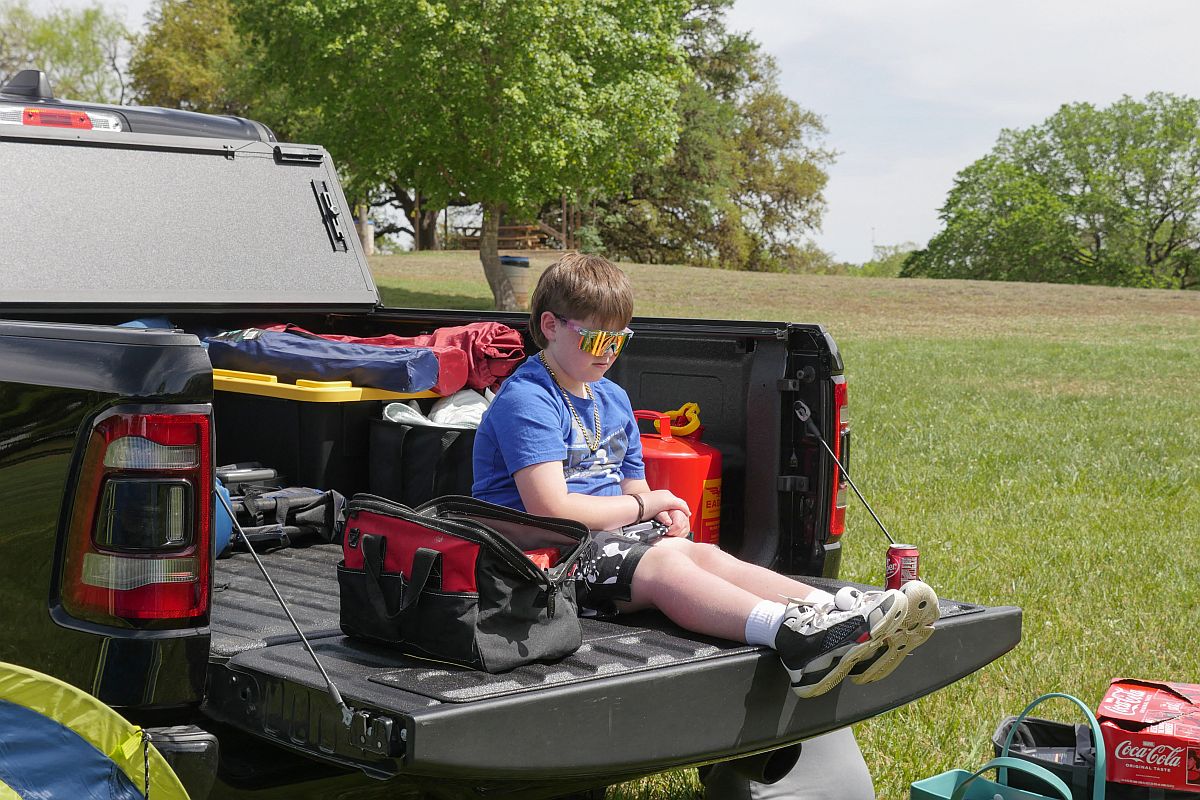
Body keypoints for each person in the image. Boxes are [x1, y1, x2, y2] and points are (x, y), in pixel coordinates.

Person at [471, 252, 940, 700]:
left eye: (619, 340)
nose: (608, 352)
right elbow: (551, 509)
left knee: (700, 553)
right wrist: (648, 505)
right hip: (539, 562)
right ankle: (793, 637)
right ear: (550, 326)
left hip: (603, 541)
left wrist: (659, 515)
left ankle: (836, 614)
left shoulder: (610, 398)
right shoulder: (528, 399)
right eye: (596, 339)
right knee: (665, 566)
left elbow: (632, 487)